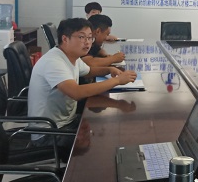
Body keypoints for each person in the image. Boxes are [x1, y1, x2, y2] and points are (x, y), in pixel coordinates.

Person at [28, 18, 137, 159]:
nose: (87, 42)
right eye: (81, 37)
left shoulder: (72, 56)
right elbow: (76, 92)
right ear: (65, 39)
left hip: (66, 122)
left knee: (105, 126)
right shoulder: (54, 62)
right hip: (48, 133)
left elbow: (89, 71)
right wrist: (116, 81)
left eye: (90, 37)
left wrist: (109, 69)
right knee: (100, 145)